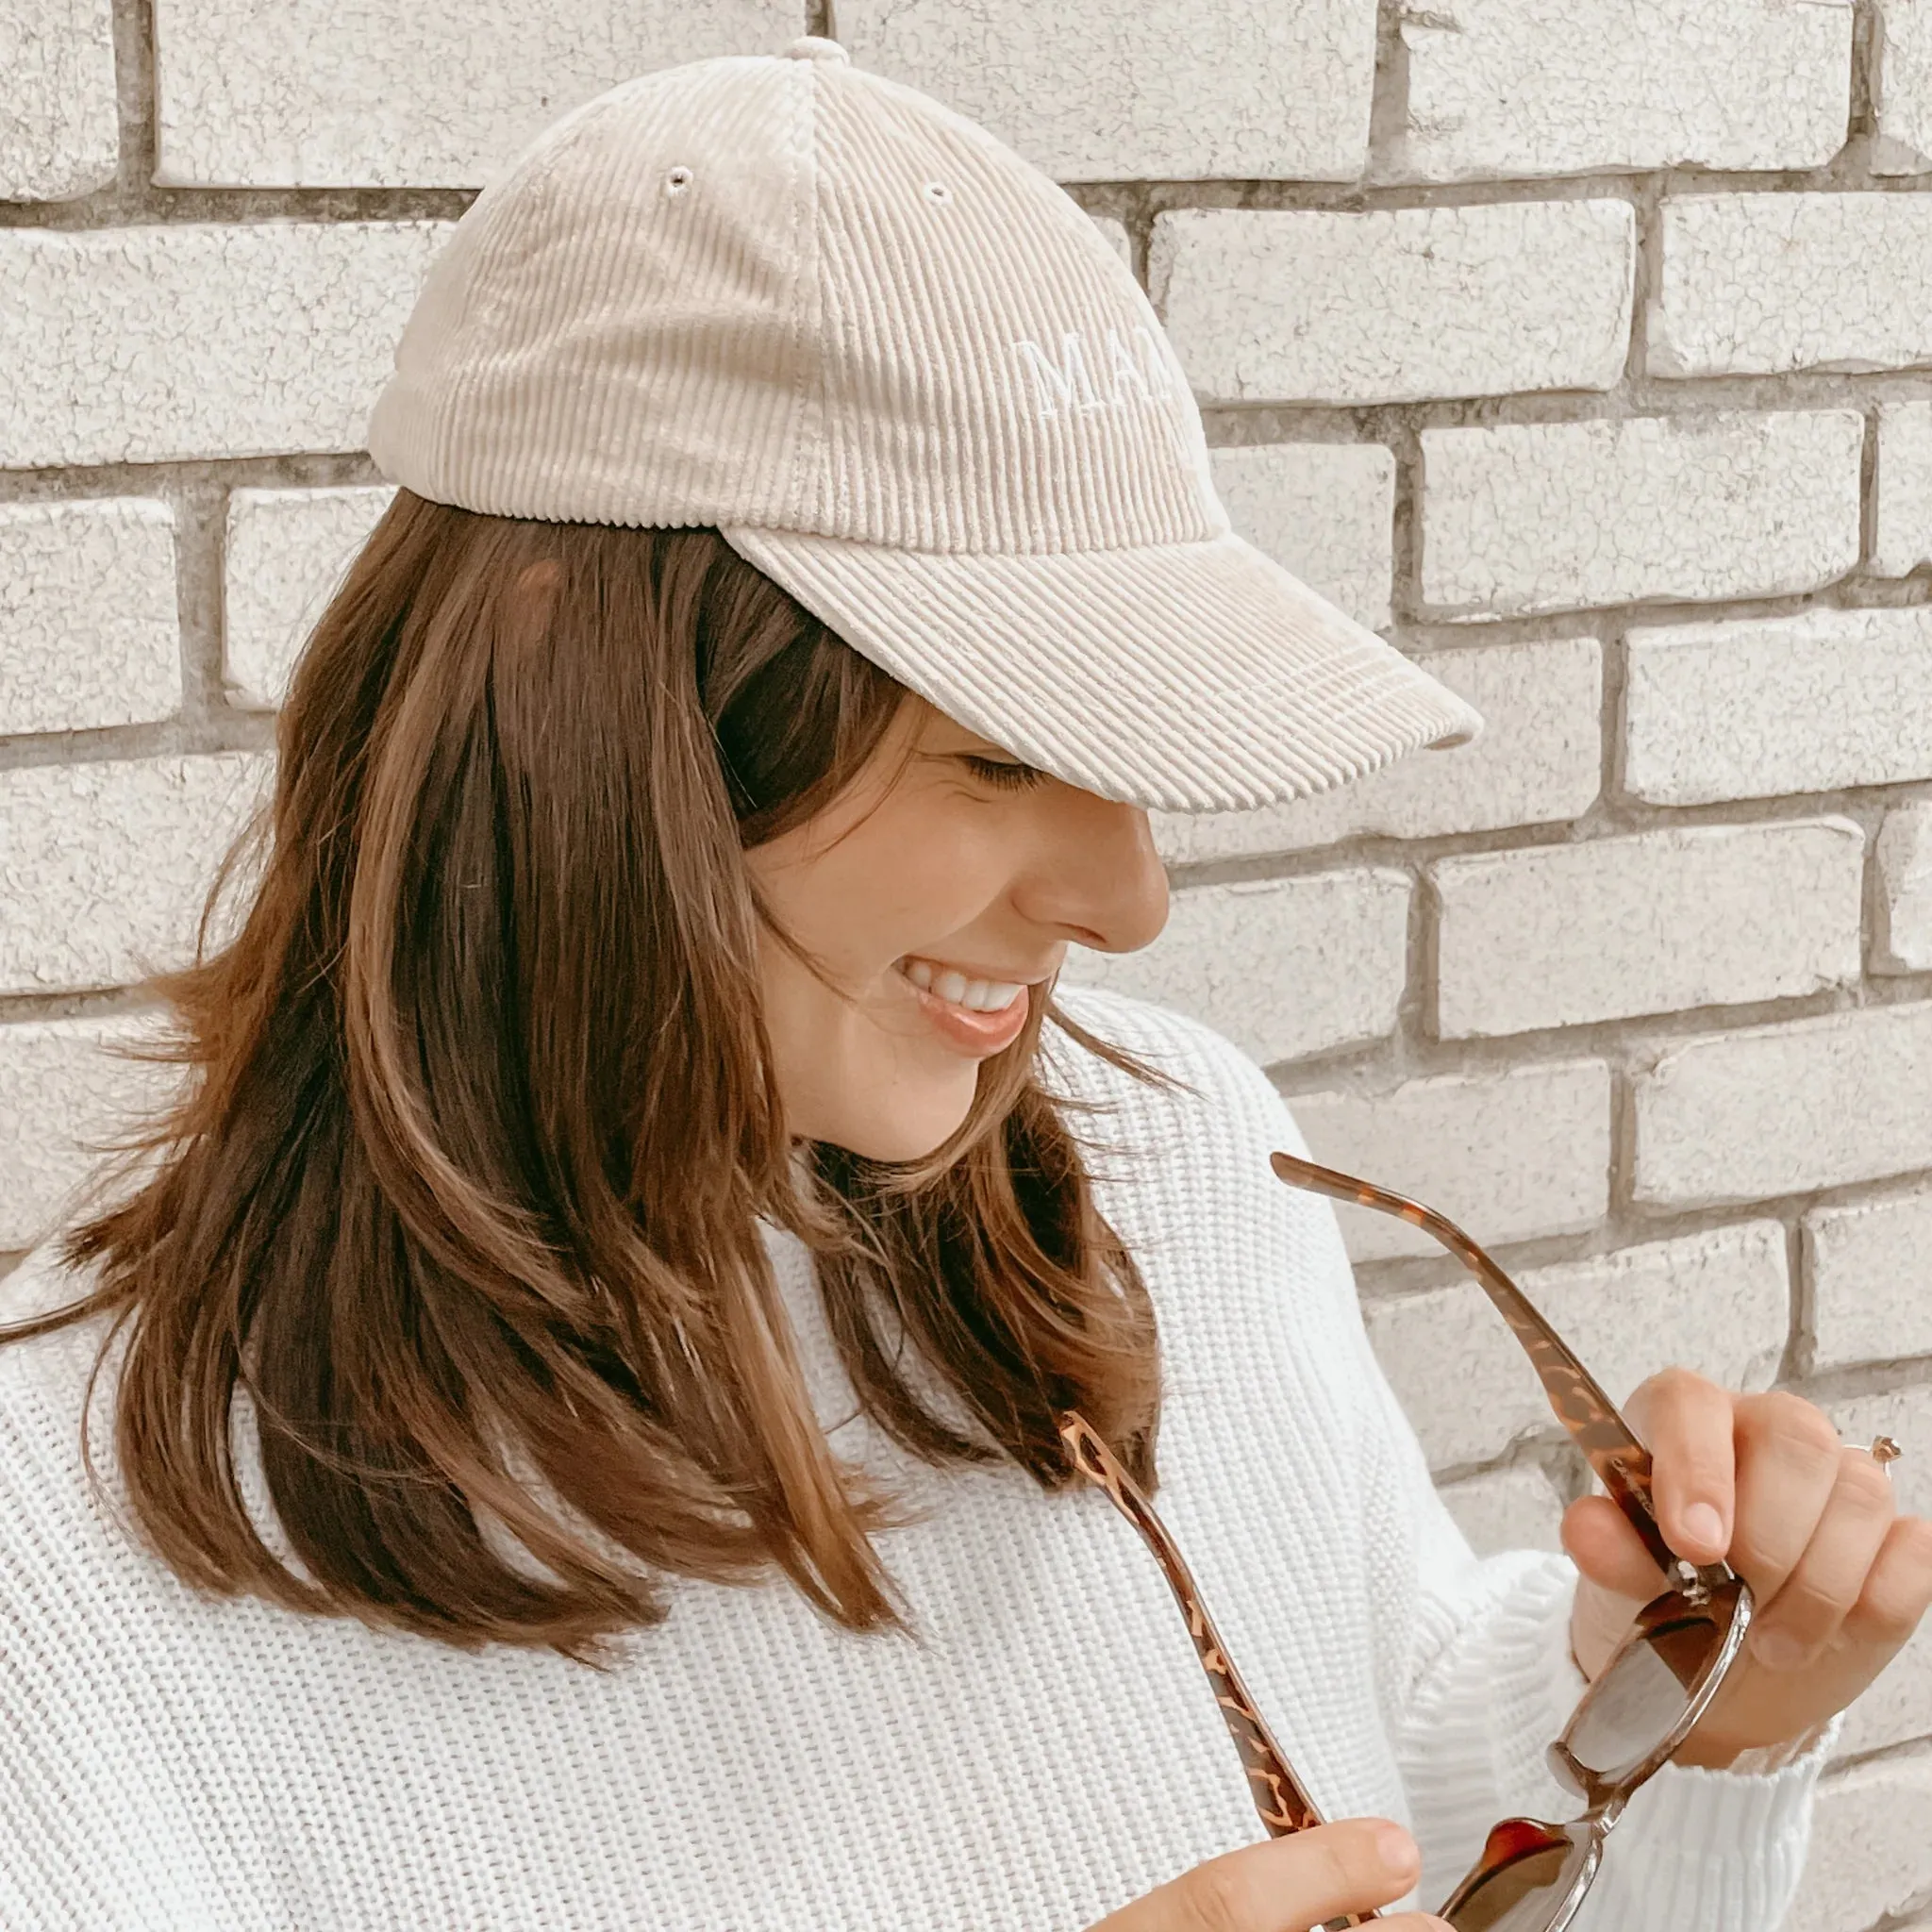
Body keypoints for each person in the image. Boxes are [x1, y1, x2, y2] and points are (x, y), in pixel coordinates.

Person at [1, 32, 1926, 1932]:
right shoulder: (69, 1544)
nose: (1129, 894)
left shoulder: (1176, 1162)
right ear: (589, 731)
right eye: (1000, 748)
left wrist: (1689, 1720)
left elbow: (1397, 1757)